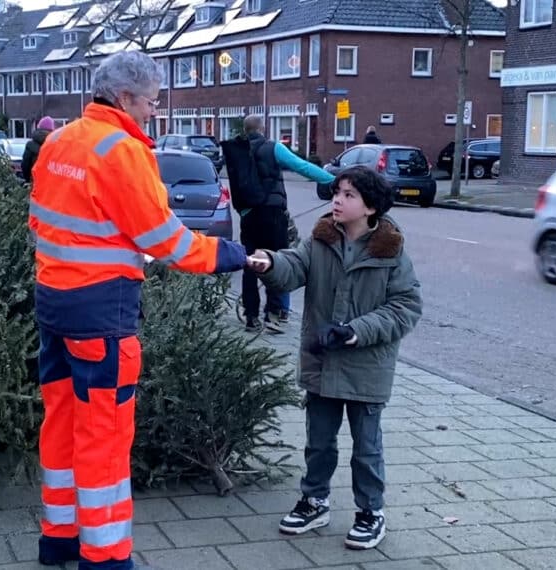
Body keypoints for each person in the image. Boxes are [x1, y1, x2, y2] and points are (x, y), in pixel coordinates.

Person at [29, 50, 259, 570]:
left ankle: (59, 539)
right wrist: (232, 254)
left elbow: (42, 220)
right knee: (104, 436)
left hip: (53, 304)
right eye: (153, 101)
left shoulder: (61, 140)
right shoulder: (123, 151)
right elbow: (165, 241)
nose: (155, 111)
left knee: (61, 424)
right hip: (101, 313)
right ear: (126, 98)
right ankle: (105, 556)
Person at [248, 165, 422, 551]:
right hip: (322, 363)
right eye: (337, 192)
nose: (337, 200)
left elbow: (406, 307)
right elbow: (293, 267)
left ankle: (370, 511)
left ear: (371, 207)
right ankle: (314, 500)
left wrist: (357, 330)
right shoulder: (321, 240)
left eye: (348, 195)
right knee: (319, 442)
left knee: (367, 448)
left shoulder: (390, 252)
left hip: (367, 368)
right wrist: (270, 263)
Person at [221, 114, 335, 332]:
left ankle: (251, 317)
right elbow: (302, 167)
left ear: (246, 130)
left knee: (250, 263)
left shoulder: (239, 152)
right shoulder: (272, 148)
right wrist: (332, 180)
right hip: (273, 213)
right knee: (276, 262)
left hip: (248, 215)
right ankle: (272, 315)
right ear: (263, 128)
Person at [22, 116, 56, 182]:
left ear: (39, 128)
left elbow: (25, 166)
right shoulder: (56, 144)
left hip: (35, 181)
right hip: (50, 183)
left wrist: (28, 180)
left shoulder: (30, 145)